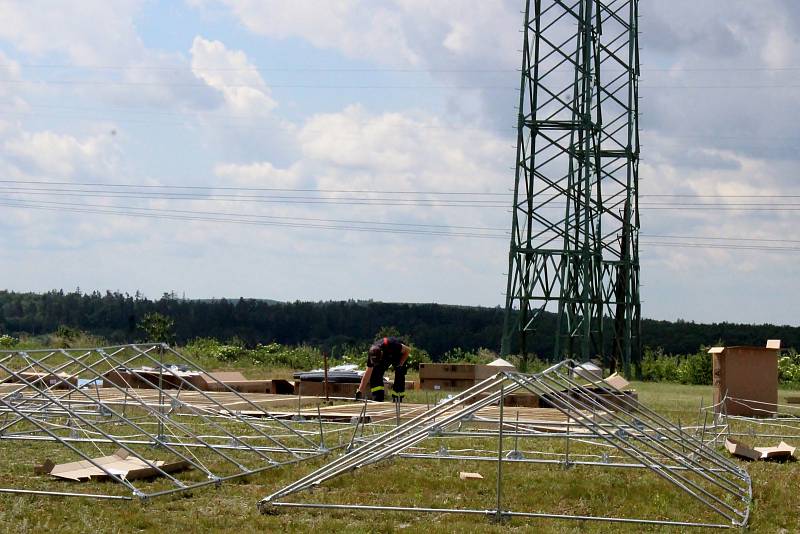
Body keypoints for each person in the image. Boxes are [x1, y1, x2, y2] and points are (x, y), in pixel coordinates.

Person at [356, 336, 410, 402]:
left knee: (400, 372)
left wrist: (401, 363)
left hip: (398, 354)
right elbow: (367, 374)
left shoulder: (392, 345)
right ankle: (378, 397)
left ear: (381, 354)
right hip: (384, 356)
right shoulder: (372, 354)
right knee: (375, 373)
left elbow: (407, 350)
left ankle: (398, 398)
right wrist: (360, 390)